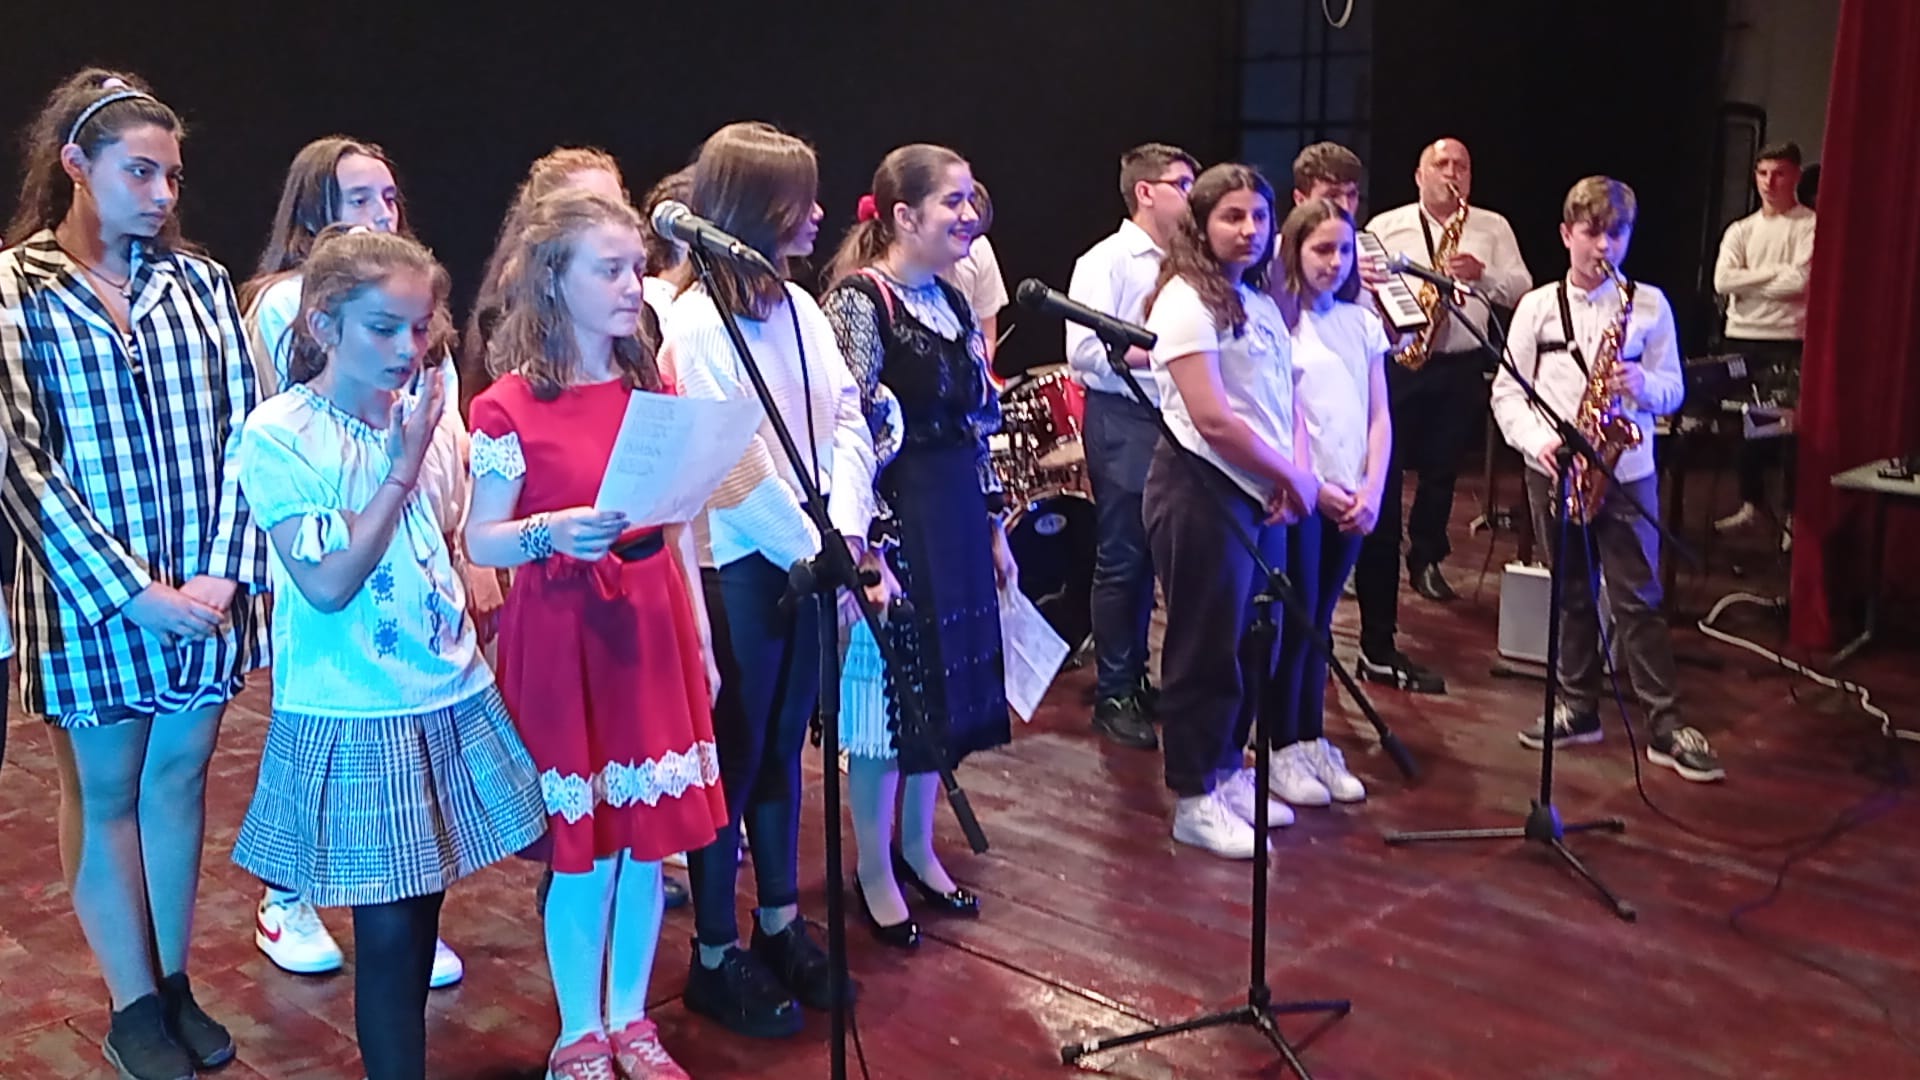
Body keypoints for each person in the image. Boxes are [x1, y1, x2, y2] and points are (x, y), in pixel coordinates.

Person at [0, 68, 268, 1080]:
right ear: (77, 165)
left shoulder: (199, 285)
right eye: (140, 172)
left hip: (202, 597)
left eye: (172, 176)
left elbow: (248, 436)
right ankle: (133, 1003)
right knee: (106, 790)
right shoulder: (15, 289)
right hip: (95, 603)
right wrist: (134, 594)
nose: (161, 193)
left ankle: (175, 977)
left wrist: (223, 575)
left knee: (180, 780)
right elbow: (18, 463)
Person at [231, 227, 546, 1080]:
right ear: (324, 326)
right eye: (382, 328)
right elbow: (328, 581)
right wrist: (400, 469)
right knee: (388, 926)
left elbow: (443, 536)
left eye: (418, 328)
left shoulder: (424, 422)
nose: (407, 349)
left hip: (443, 687)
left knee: (423, 906)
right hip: (357, 703)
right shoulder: (281, 433)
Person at [467, 189, 725, 1078]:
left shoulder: (654, 391)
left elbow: (677, 524)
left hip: (648, 616)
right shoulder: (507, 407)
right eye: (609, 270)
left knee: (645, 838)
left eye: (637, 269)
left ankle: (630, 1017)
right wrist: (551, 532)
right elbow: (481, 537)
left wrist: (699, 632)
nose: (631, 286)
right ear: (554, 281)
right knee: (585, 847)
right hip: (565, 626)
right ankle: (579, 1028)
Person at [237, 133, 481, 987]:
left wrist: (463, 536)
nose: (381, 212)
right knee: (333, 766)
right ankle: (294, 897)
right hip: (341, 602)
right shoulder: (293, 319)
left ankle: (402, 905)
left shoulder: (412, 324)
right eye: (358, 198)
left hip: (420, 605)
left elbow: (446, 453)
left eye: (389, 196)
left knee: (411, 798)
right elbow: (322, 528)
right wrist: (389, 475)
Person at [660, 121, 877, 1039]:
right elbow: (732, 466)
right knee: (737, 761)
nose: (819, 214)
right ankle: (714, 955)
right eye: (800, 200)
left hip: (813, 558)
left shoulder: (799, 309)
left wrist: (848, 528)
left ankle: (778, 921)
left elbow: (847, 418)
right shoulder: (695, 323)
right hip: (744, 569)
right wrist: (813, 549)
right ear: (753, 209)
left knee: (786, 749)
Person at [820, 142, 1014, 947]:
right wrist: (866, 548)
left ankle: (917, 846)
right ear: (904, 215)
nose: (970, 215)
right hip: (897, 523)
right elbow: (848, 432)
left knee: (939, 692)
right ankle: (873, 866)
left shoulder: (953, 302)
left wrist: (995, 525)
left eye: (972, 199)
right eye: (953, 201)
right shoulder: (862, 303)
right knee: (886, 702)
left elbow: (977, 424)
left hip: (956, 515)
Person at [1490, 176, 1725, 784]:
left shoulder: (1648, 305)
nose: (1604, 247)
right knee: (1570, 590)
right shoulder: (1537, 306)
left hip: (1625, 470)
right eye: (1592, 233)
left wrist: (1644, 386)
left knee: (1638, 597)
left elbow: (1674, 389)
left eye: (1616, 235)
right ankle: (1577, 706)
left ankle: (1666, 724)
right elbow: (1508, 392)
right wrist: (1540, 442)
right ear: (1566, 234)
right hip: (1556, 466)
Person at [1142, 162, 1315, 859]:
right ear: (1202, 224)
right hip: (1203, 489)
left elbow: (1285, 398)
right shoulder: (1185, 300)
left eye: (1259, 217)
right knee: (1203, 646)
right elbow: (1212, 419)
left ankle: (1226, 768)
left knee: (1250, 642)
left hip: (1258, 492)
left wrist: (1293, 474)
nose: (1249, 230)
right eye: (1232, 217)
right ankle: (1193, 796)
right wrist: (1289, 476)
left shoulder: (1259, 300)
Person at [1287, 141, 1448, 695]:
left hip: (1360, 416)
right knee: (1297, 605)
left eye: (1353, 196)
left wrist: (1383, 297)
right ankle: (1292, 703)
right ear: (1302, 199)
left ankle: (1375, 648)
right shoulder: (1280, 270)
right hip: (1304, 465)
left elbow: (1394, 336)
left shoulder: (1364, 256)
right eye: (1333, 195)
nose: (1346, 207)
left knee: (1376, 535)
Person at [1065, 142, 1198, 749]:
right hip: (1123, 416)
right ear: (1146, 192)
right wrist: (1171, 350)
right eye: (1182, 184)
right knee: (1123, 555)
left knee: (1162, 555)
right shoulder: (1107, 260)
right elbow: (1084, 351)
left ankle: (1144, 678)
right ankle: (1115, 689)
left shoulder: (1188, 258)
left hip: (1176, 414)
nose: (1193, 196)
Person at [1364, 138, 1533, 605]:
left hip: (1459, 362)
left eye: (1461, 165)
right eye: (1441, 164)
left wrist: (1484, 275)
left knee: (1442, 468)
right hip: (1399, 360)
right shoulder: (1385, 226)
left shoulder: (1492, 226)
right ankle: (1376, 557)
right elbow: (1364, 286)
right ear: (1420, 176)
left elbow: (1522, 288)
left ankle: (1427, 559)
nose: (1452, 173)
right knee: (1384, 463)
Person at [1266, 198, 1389, 809]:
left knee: (1323, 624)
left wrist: (1373, 488)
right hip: (1305, 496)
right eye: (1322, 250)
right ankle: (1281, 745)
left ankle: (1311, 737)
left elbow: (1378, 414)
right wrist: (1314, 487)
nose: (1334, 262)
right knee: (1298, 621)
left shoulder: (1360, 322)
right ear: (1294, 251)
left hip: (1353, 492)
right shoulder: (1277, 324)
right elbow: (1284, 416)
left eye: (1344, 250)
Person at [462, 147, 628, 407]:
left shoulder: (637, 310)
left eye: (617, 208)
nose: (611, 222)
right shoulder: (504, 315)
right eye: (591, 211)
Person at [1712, 140, 1815, 548]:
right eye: (1763, 173)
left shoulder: (1808, 225)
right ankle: (1752, 504)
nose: (1770, 182)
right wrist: (1774, 274)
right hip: (1742, 335)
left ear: (1796, 176)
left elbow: (1799, 282)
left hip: (1785, 339)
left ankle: (1791, 516)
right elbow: (1723, 280)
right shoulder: (1741, 230)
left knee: (1784, 429)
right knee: (1746, 426)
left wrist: (1749, 279)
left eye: (1779, 173)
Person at [940, 179, 1010, 370]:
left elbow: (986, 329)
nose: (965, 249)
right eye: (958, 236)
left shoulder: (979, 248)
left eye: (969, 239)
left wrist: (980, 375)